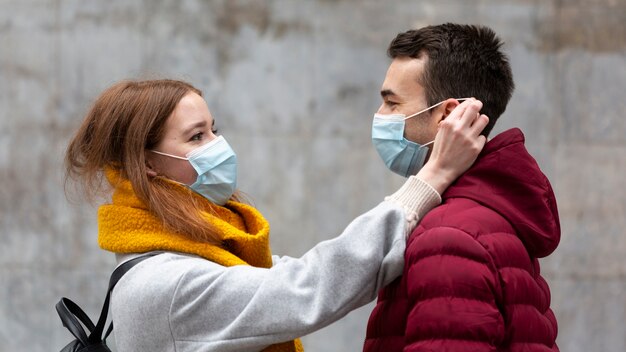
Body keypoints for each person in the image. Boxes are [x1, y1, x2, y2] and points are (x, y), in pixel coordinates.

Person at [64, 78, 487, 352]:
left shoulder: (196, 253)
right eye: (196, 137)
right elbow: (307, 288)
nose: (218, 145)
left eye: (214, 128)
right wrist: (430, 179)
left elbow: (292, 276)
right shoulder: (163, 285)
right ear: (147, 164)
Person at [363, 23, 560, 352]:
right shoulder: (489, 214)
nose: (380, 115)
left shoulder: (449, 236)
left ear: (448, 115)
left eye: (392, 103)